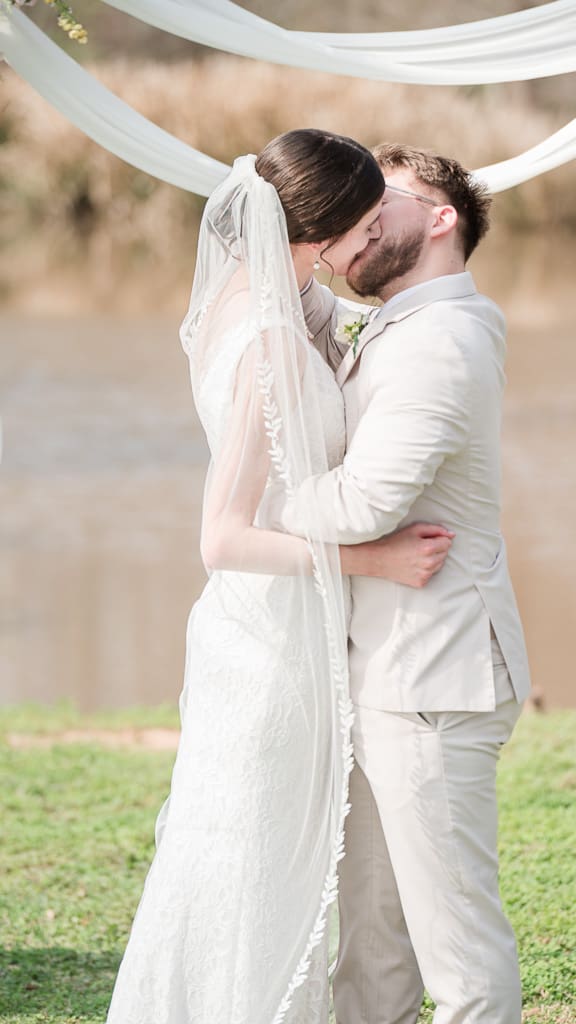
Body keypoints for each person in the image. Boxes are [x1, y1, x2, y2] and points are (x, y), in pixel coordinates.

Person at [105, 131, 453, 1024]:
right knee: (253, 868)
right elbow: (222, 537)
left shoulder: (269, 297)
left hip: (273, 627)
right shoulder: (270, 344)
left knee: (254, 858)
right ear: (324, 227)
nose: (374, 243)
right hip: (269, 643)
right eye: (367, 225)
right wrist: (369, 557)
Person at [280, 143, 532, 1024]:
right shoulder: (395, 322)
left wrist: (251, 511)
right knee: (373, 938)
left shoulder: (442, 340)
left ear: (439, 218)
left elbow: (361, 503)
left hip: (434, 674)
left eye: (378, 199)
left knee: (454, 947)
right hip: (388, 671)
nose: (357, 215)